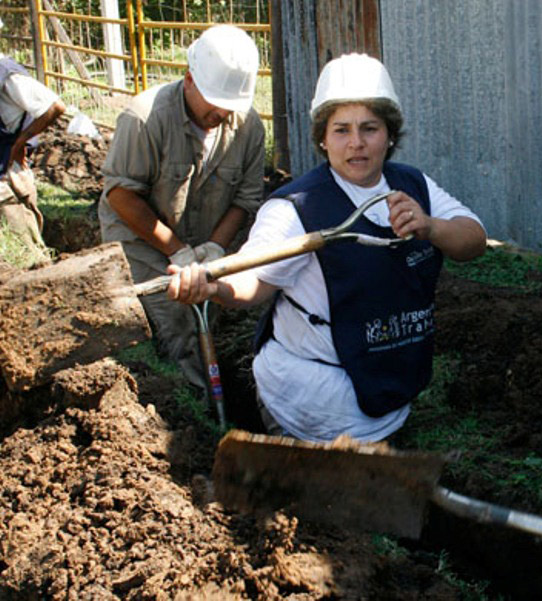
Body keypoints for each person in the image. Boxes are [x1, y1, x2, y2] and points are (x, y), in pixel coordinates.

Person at [167, 53, 487, 442]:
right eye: (341, 130)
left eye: (370, 128)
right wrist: (214, 285)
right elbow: (254, 281)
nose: (357, 144)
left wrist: (431, 226)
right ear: (322, 137)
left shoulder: (413, 185)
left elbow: (473, 239)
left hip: (389, 383)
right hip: (310, 399)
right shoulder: (297, 206)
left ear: (389, 134)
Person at [99, 24, 265, 391]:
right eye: (214, 100)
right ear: (189, 79)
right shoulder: (145, 118)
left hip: (205, 242)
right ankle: (194, 411)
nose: (222, 111)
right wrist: (177, 251)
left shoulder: (248, 126)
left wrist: (216, 249)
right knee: (176, 318)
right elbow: (122, 196)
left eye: (230, 104)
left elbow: (244, 201)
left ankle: (215, 389)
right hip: (143, 241)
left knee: (213, 306)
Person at [0, 16, 66, 252]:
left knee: (26, 248)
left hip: (8, 178)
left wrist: (19, 143)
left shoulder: (7, 74)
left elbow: (55, 106)